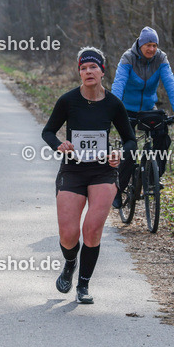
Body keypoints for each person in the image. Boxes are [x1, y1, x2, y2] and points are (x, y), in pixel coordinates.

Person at [42, 47, 136, 304]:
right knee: (68, 234)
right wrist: (59, 145)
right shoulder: (68, 100)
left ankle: (83, 285)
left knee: (92, 229)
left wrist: (119, 154)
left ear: (102, 71)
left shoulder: (113, 103)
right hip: (72, 169)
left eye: (93, 67)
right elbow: (48, 132)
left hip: (103, 171)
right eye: (83, 68)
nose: (88, 72)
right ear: (80, 73)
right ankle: (70, 262)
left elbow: (130, 140)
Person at [111, 26, 174, 208]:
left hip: (148, 109)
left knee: (162, 137)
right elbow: (119, 83)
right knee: (129, 147)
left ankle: (152, 177)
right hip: (126, 110)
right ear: (140, 44)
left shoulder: (161, 58)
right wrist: (112, 106)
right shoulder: (128, 58)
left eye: (154, 45)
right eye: (148, 45)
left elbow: (170, 83)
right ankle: (118, 190)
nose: (151, 49)